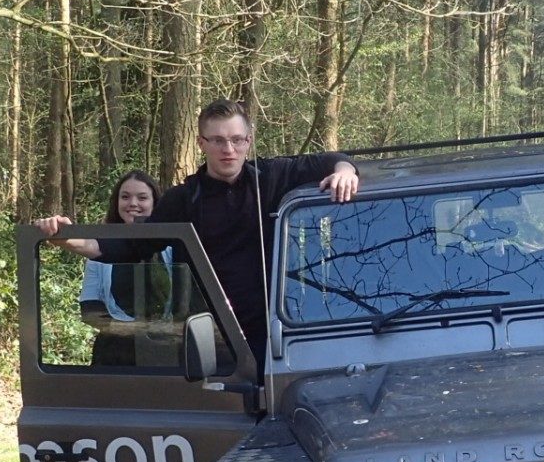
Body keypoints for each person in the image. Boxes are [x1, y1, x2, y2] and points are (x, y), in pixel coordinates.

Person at [35, 100, 360, 363]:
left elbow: (331, 160)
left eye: (236, 140)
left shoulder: (271, 177)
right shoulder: (183, 199)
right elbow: (130, 246)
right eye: (217, 140)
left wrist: (345, 172)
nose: (228, 149)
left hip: (280, 331)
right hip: (212, 339)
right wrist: (66, 237)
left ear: (248, 141)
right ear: (201, 143)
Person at [77, 170, 170, 366]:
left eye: (142, 197)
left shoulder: (173, 246)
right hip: (115, 353)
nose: (133, 203)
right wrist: (127, 331)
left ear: (155, 202)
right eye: (125, 197)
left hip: (168, 349)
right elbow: (89, 308)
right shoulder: (99, 250)